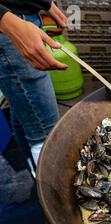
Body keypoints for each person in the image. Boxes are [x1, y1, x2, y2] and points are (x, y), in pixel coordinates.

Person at [0, 1, 68, 166]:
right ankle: (45, 185)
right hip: (11, 25)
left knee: (22, 109)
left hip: (21, 17)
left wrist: (45, 3)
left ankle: (33, 168)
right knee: (46, 131)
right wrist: (6, 21)